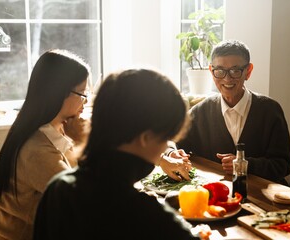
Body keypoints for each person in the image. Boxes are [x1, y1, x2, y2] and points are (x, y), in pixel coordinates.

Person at [32, 68, 212, 240]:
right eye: (166, 138)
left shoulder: (58, 189)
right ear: (145, 137)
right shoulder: (147, 216)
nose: (164, 147)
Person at [0, 49, 91, 240]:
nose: (85, 102)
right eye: (83, 93)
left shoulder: (49, 131)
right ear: (60, 93)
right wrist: (84, 142)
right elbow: (82, 200)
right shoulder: (37, 149)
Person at [165, 39, 290, 185]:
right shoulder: (201, 112)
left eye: (235, 71)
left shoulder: (270, 110)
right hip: (217, 195)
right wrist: (171, 153)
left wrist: (244, 165)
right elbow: (172, 141)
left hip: (263, 195)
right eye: (219, 71)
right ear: (211, 72)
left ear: (248, 71)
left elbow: (282, 166)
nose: (227, 78)